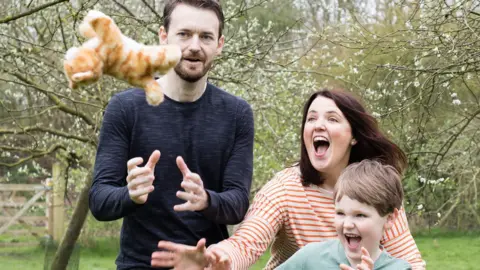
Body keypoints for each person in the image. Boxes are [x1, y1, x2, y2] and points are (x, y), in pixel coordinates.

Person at [150, 88, 425, 270]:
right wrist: (216, 258)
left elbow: (408, 261)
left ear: (354, 135)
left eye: (332, 119)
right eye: (311, 118)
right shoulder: (285, 188)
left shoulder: (375, 190)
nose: (318, 125)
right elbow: (247, 242)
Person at [89, 0, 254, 269]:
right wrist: (129, 194)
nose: (194, 46)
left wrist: (206, 200)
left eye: (206, 37)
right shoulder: (125, 108)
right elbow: (99, 200)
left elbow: (237, 204)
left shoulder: (237, 114)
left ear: (219, 45)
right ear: (164, 37)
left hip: (206, 265)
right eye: (184, 34)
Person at [277, 159, 412, 270]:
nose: (347, 224)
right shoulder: (310, 258)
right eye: (340, 213)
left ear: (389, 219)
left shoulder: (400, 268)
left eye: (360, 215)